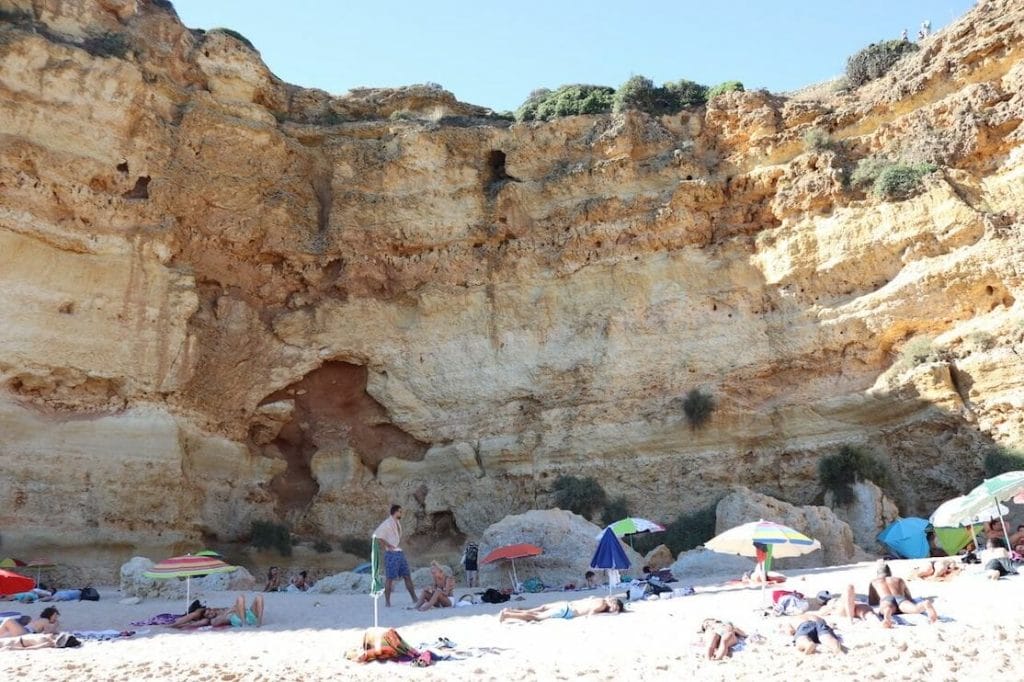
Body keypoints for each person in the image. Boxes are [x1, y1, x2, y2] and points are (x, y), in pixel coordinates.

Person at [372, 504, 417, 607]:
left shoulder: (397, 522)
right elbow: (377, 535)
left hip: (399, 552)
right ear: (395, 512)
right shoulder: (387, 523)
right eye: (400, 511)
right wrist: (387, 545)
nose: (401, 513)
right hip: (391, 554)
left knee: (407, 576)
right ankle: (387, 602)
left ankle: (414, 597)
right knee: (390, 578)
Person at [868, 562, 938, 626]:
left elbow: (872, 601)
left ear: (877, 574)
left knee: (886, 608)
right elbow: (908, 596)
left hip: (886, 599)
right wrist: (908, 601)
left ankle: (887, 619)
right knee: (915, 609)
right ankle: (924, 604)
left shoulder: (874, 582)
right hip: (900, 598)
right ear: (890, 572)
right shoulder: (898, 579)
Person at [498, 596, 624, 623]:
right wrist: (609, 615)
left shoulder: (598, 598)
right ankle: (507, 615)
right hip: (567, 611)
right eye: (615, 607)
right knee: (537, 617)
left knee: (538, 611)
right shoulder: (602, 605)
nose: (614, 610)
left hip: (567, 604)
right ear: (613, 603)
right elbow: (591, 614)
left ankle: (510, 611)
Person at [169, 595, 264, 628]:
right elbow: (192, 620)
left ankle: (258, 621)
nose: (210, 612)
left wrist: (233, 608)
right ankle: (244, 623)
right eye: (208, 614)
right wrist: (175, 625)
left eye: (209, 611)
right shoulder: (212, 620)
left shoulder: (217, 610)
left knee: (259, 597)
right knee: (240, 598)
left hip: (249, 615)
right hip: (238, 618)